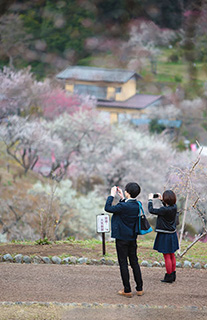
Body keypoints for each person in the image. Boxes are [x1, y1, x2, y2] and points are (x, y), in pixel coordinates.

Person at [104, 182, 143, 298]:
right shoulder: (137, 205)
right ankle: (139, 288)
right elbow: (125, 207)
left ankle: (127, 289)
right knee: (134, 262)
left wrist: (111, 195)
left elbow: (108, 208)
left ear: (128, 192)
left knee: (123, 263)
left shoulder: (124, 206)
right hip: (132, 238)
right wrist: (122, 198)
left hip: (121, 239)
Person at [148, 190, 179, 283]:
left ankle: (168, 277)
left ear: (166, 199)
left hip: (165, 235)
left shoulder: (164, 210)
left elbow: (151, 210)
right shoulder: (174, 207)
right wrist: (162, 200)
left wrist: (150, 200)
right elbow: (167, 208)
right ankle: (172, 274)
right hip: (172, 234)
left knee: (166, 256)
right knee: (172, 254)